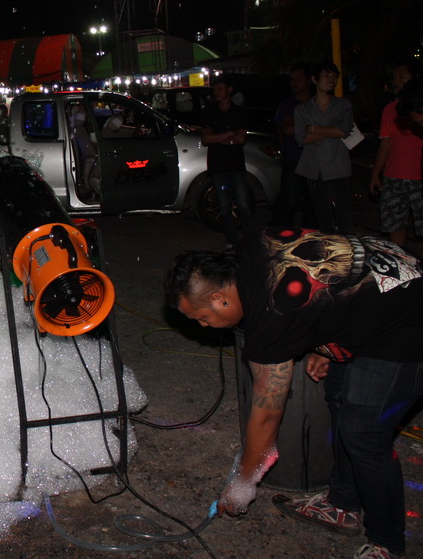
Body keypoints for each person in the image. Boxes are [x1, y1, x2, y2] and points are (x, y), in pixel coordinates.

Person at [167, 230, 423, 559]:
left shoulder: (270, 316)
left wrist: (242, 483)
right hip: (387, 283)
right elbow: (321, 284)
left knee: (364, 433)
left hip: (410, 320)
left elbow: (267, 415)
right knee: (339, 399)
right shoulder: (250, 249)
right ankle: (343, 503)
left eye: (202, 318)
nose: (203, 326)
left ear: (220, 299)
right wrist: (326, 341)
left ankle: (387, 542)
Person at [294, 62, 355, 234]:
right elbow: (302, 138)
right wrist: (331, 130)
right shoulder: (303, 109)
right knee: (323, 216)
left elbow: (343, 131)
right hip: (314, 167)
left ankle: (346, 247)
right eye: (327, 76)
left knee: (344, 215)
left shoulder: (343, 105)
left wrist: (313, 128)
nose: (331, 80)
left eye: (334, 76)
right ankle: (329, 247)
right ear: (315, 80)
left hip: (338, 165)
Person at [368, 59, 423, 247]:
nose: (397, 81)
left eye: (402, 77)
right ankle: (400, 260)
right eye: (395, 77)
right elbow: (385, 142)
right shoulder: (391, 109)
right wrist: (376, 173)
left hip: (418, 176)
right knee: (394, 223)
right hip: (394, 176)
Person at [200, 77, 255, 246]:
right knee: (224, 207)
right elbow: (206, 139)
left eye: (220, 88)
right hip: (218, 167)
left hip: (236, 166)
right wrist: (229, 134)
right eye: (215, 89)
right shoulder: (210, 113)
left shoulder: (238, 112)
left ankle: (250, 241)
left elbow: (241, 139)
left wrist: (218, 137)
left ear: (229, 90)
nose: (216, 92)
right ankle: (231, 241)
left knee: (243, 205)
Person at [270, 64, 313, 228]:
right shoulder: (287, 104)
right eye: (292, 80)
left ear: (309, 80)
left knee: (312, 203)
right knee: (288, 202)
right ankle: (284, 237)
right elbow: (286, 130)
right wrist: (313, 127)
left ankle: (309, 237)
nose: (295, 83)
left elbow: (327, 128)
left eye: (299, 79)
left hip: (315, 159)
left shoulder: (317, 103)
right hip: (293, 159)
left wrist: (297, 124)